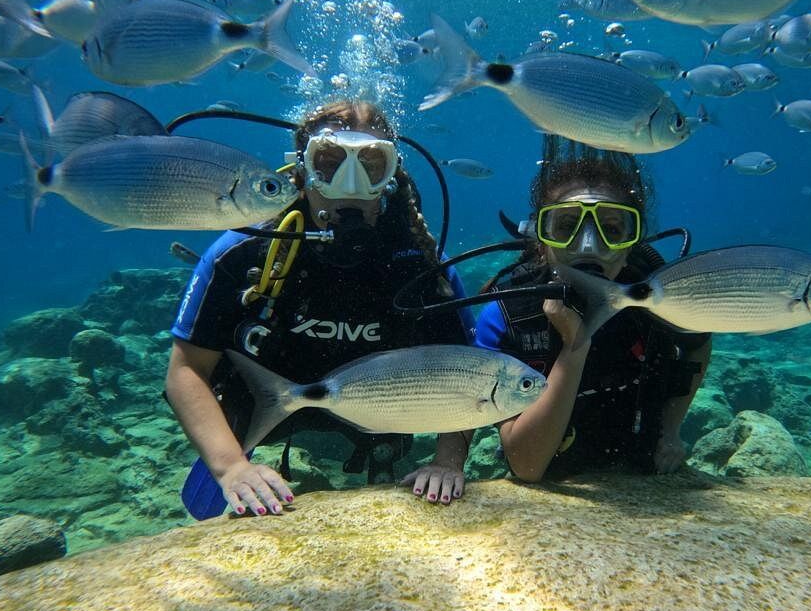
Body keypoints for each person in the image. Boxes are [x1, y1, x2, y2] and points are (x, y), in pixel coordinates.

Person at [165, 101, 474, 519]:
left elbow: (466, 369)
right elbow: (186, 370)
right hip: (260, 409)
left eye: (371, 166)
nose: (350, 185)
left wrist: (448, 463)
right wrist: (231, 466)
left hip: (377, 416)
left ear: (391, 175)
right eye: (328, 164)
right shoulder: (243, 253)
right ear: (301, 170)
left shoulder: (420, 262)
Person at [470, 135, 711, 483]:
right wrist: (575, 345)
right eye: (566, 227)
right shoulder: (505, 314)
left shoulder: (656, 299)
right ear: (542, 241)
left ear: (631, 246)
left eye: (612, 229)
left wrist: (670, 429)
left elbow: (699, 342)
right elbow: (527, 465)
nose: (588, 245)